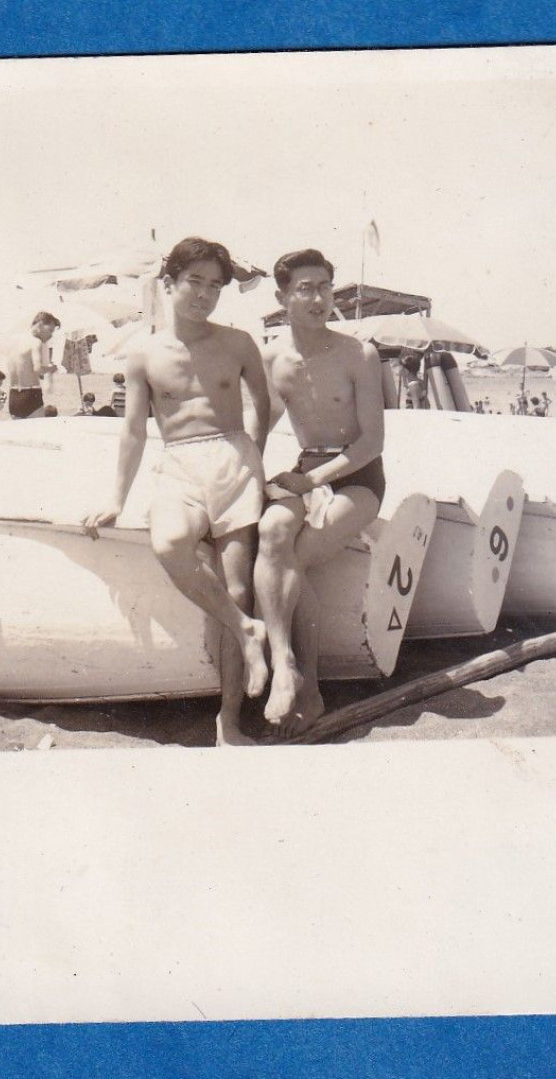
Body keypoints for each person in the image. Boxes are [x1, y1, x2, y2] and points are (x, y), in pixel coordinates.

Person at [83, 237, 271, 746]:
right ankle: (246, 629)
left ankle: (228, 722)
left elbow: (263, 403)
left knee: (238, 585)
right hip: (180, 463)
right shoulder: (142, 354)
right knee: (169, 544)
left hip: (234, 459)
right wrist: (115, 499)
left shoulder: (239, 343)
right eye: (195, 282)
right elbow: (134, 431)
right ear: (168, 284)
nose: (204, 294)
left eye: (215, 286)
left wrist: (252, 454)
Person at [254, 247, 385, 736]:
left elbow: (372, 441)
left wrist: (312, 481)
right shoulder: (272, 359)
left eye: (325, 287)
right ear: (282, 297)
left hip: (357, 476)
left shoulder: (358, 354)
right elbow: (259, 430)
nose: (317, 298)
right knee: (271, 534)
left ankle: (308, 686)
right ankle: (285, 664)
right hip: (303, 469)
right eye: (304, 288)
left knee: (298, 554)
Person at [4, 312, 60, 419]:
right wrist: (51, 368)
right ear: (40, 325)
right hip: (31, 394)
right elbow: (38, 369)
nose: (51, 335)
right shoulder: (36, 342)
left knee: (19, 433)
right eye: (50, 330)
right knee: (38, 434)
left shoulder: (13, 341)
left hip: (14, 396)